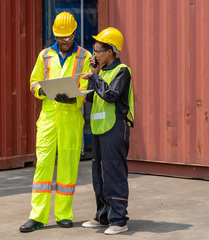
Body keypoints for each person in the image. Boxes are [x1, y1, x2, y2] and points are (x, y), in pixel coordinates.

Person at [19, 12, 92, 233]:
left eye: (67, 37)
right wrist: (43, 90)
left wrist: (75, 97)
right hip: (49, 118)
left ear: (74, 33)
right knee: (42, 165)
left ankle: (63, 215)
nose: (63, 41)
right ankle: (37, 216)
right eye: (60, 37)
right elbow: (33, 83)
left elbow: (88, 87)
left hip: (71, 117)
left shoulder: (85, 56)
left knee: (68, 166)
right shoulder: (44, 56)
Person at [78, 27, 134, 235]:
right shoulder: (102, 72)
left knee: (114, 173)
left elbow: (110, 95)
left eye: (99, 51)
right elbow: (95, 97)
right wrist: (89, 82)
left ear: (111, 50)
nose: (95, 55)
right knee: (99, 174)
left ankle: (119, 219)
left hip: (116, 127)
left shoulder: (122, 71)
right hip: (100, 128)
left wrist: (94, 77)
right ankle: (103, 215)